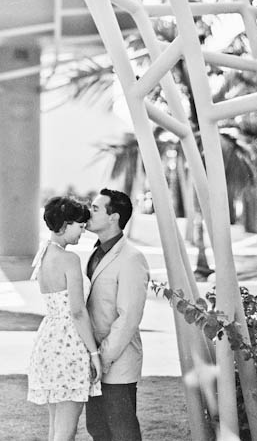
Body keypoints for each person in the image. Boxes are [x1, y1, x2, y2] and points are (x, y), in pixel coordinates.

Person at [27, 195, 102, 441]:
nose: (83, 231)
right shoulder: (70, 259)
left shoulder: (44, 253)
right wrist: (94, 354)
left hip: (48, 342)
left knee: (56, 431)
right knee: (65, 432)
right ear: (66, 224)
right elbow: (78, 311)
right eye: (80, 226)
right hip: (69, 346)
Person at [85, 188, 150, 441]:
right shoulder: (95, 252)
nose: (88, 212)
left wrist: (103, 358)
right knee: (97, 428)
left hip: (117, 361)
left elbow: (128, 318)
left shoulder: (132, 258)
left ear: (114, 217)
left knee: (122, 433)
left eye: (96, 208)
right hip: (95, 361)